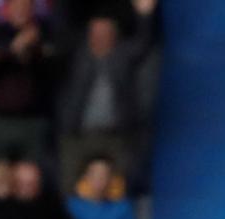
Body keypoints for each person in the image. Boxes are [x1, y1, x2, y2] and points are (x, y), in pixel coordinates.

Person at [57, 13, 153, 190]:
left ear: (114, 35)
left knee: (120, 187)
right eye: (96, 32)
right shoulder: (78, 55)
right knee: (68, 187)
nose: (100, 36)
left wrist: (144, 16)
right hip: (78, 134)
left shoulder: (122, 56)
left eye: (105, 32)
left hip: (115, 136)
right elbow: (61, 32)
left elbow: (143, 45)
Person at [0, 0, 55, 164]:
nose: (22, 11)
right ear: (6, 10)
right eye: (17, 6)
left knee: (31, 178)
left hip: (33, 122)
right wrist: (15, 48)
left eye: (26, 7)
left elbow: (52, 70)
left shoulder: (44, 35)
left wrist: (32, 49)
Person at [66, 154, 134, 219]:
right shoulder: (71, 207)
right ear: (85, 177)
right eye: (95, 174)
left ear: (111, 178)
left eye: (104, 175)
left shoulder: (122, 208)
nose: (99, 179)